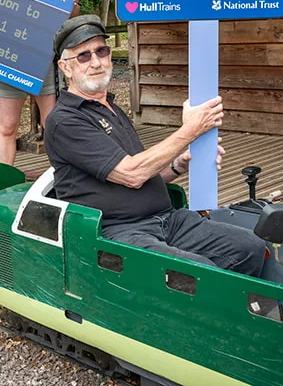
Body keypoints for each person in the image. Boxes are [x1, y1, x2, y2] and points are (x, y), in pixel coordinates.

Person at [44, 15, 265, 277]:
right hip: (119, 230)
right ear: (65, 67)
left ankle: (229, 313)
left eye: (101, 51)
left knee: (249, 247)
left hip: (168, 220)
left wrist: (177, 164)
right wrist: (191, 130)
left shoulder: (110, 108)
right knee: (200, 274)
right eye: (83, 56)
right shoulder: (64, 121)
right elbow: (132, 174)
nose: (96, 62)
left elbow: (144, 171)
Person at [0, 0, 81, 165]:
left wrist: (73, 2)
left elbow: (70, 18)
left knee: (51, 126)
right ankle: (3, 184)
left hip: (44, 60)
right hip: (9, 59)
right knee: (7, 127)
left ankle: (61, 181)